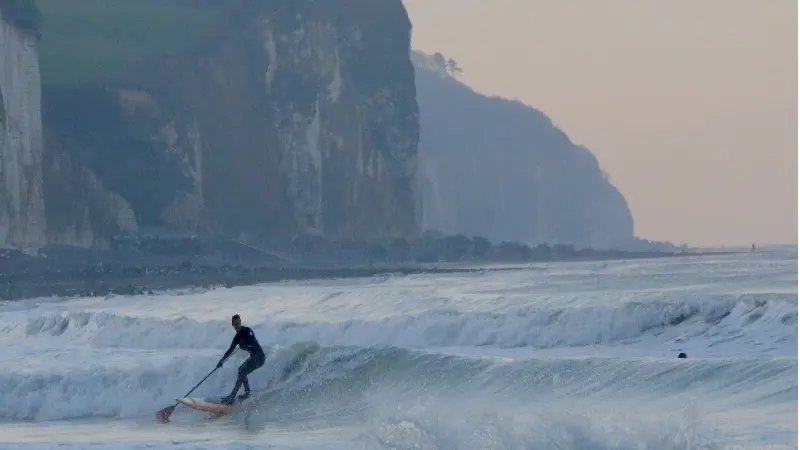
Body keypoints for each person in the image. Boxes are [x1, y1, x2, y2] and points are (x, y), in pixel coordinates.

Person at [216, 314, 266, 404]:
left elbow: (252, 341)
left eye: (239, 323)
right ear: (233, 326)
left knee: (242, 370)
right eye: (235, 324)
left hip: (260, 357)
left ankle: (232, 396)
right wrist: (221, 361)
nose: (238, 325)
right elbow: (230, 350)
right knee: (241, 370)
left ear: (241, 322)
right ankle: (247, 393)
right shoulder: (236, 338)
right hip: (253, 358)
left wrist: (245, 343)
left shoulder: (247, 331)